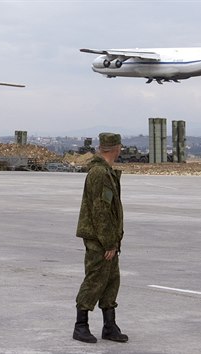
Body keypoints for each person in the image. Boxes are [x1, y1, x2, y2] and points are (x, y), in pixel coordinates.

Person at [73, 132, 128, 343]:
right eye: (119, 147)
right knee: (95, 279)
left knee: (111, 281)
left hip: (108, 238)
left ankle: (109, 326)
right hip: (99, 239)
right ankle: (80, 325)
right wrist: (109, 242)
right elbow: (101, 211)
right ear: (115, 148)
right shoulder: (99, 174)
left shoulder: (106, 172)